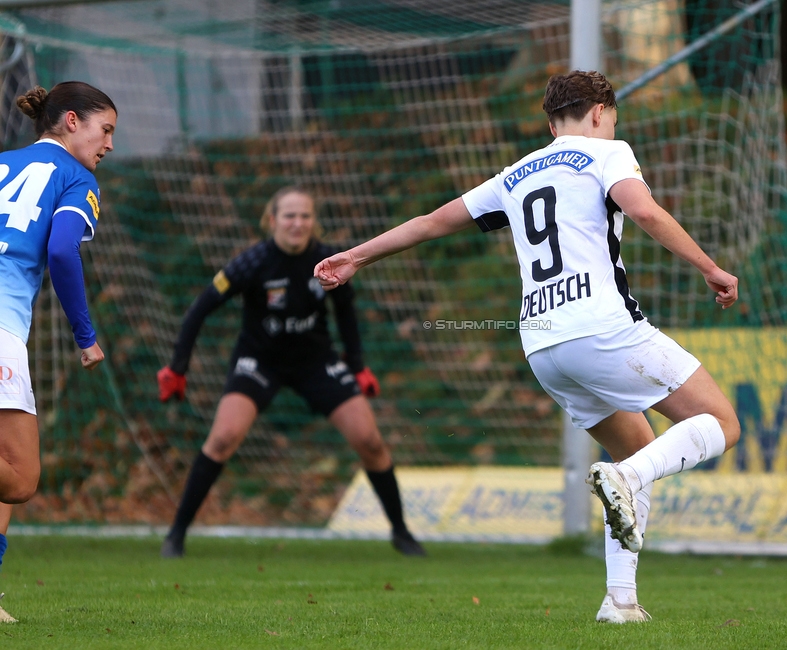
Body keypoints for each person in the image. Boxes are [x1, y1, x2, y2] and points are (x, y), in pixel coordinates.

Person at [313, 70, 741, 623]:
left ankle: (620, 601)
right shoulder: (606, 153)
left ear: (549, 122)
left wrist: (357, 257)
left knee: (635, 446)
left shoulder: (515, 173)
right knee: (722, 424)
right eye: (610, 121)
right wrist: (709, 267)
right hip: (602, 329)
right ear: (598, 114)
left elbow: (429, 223)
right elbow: (643, 210)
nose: (610, 129)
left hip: (543, 347)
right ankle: (627, 480)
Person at [157, 186, 425, 558]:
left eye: (305, 216)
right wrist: (178, 368)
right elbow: (200, 309)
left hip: (316, 361)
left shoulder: (327, 261)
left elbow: (346, 312)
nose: (297, 223)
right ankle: (176, 535)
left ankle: (401, 533)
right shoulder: (252, 263)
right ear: (272, 221)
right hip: (259, 360)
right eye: (289, 215)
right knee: (223, 439)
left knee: (370, 440)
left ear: (314, 222)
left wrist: (358, 367)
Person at [0, 82, 117, 623]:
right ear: (72, 121)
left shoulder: (3, 162)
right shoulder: (77, 177)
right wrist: (85, 335)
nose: (109, 144)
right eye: (106, 129)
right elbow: (63, 250)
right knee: (21, 479)